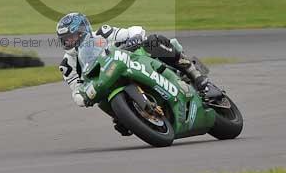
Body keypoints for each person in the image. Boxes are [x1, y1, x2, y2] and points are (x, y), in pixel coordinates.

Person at [56, 12, 224, 133]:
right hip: (103, 80)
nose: (69, 41)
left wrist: (134, 37)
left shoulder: (102, 33)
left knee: (153, 42)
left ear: (83, 30)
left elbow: (133, 30)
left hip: (128, 60)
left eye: (72, 36)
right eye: (65, 39)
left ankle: (198, 76)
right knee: (98, 100)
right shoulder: (67, 64)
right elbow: (76, 88)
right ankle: (124, 117)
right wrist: (80, 97)